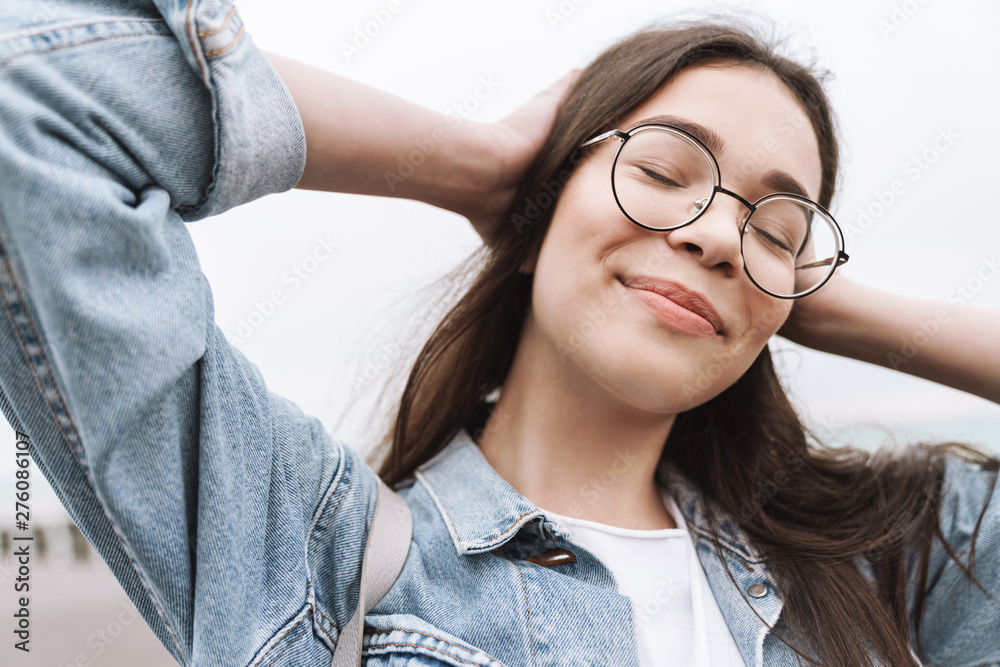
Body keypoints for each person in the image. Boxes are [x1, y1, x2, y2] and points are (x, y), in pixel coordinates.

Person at [0, 1, 997, 666]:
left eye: (772, 226)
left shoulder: (892, 559)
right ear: (536, 212)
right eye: (659, 174)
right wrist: (470, 163)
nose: (713, 236)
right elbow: (32, 95)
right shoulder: (310, 551)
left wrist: (817, 305)